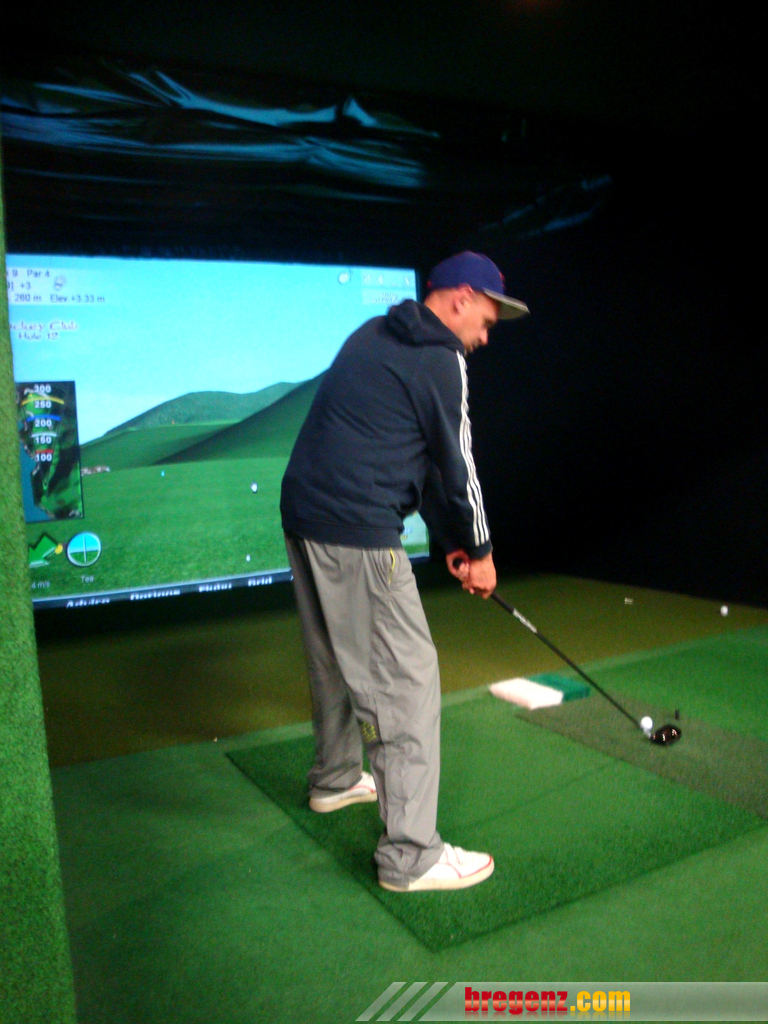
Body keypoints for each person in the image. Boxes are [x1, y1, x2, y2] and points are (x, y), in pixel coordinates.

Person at [280, 251, 528, 892]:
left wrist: (450, 540)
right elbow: (458, 466)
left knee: (332, 654)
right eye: (487, 319)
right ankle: (411, 856)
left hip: (305, 513)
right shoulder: (442, 358)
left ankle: (335, 779)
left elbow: (410, 454)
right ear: (461, 298)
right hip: (355, 526)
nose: (487, 335)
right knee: (407, 680)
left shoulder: (376, 333)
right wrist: (480, 552)